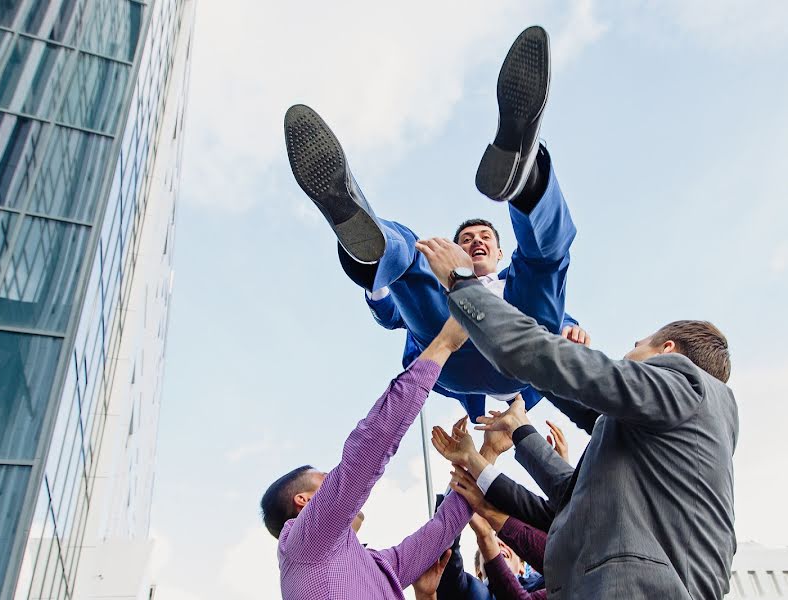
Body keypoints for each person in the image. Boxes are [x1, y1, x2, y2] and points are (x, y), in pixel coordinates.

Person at [283, 26, 598, 427]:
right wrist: (381, 280)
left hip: (519, 354)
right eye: (467, 240)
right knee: (413, 258)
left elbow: (558, 317)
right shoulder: (441, 274)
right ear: (459, 251)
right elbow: (391, 314)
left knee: (545, 262)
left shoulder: (512, 283)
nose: (477, 242)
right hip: (452, 351)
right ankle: (372, 244)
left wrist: (574, 334)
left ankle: (526, 177)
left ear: (500, 254)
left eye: (485, 237)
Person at [415, 237, 739, 599]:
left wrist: (462, 285)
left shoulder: (688, 384)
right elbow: (571, 500)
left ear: (667, 351)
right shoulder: (665, 436)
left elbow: (567, 367)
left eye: (637, 344)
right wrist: (517, 429)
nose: (628, 352)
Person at [261, 319, 480, 599]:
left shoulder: (375, 566)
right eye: (326, 478)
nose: (334, 479)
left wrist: (486, 455)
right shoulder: (303, 543)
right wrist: (443, 344)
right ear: (303, 501)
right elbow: (368, 449)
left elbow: (442, 529)